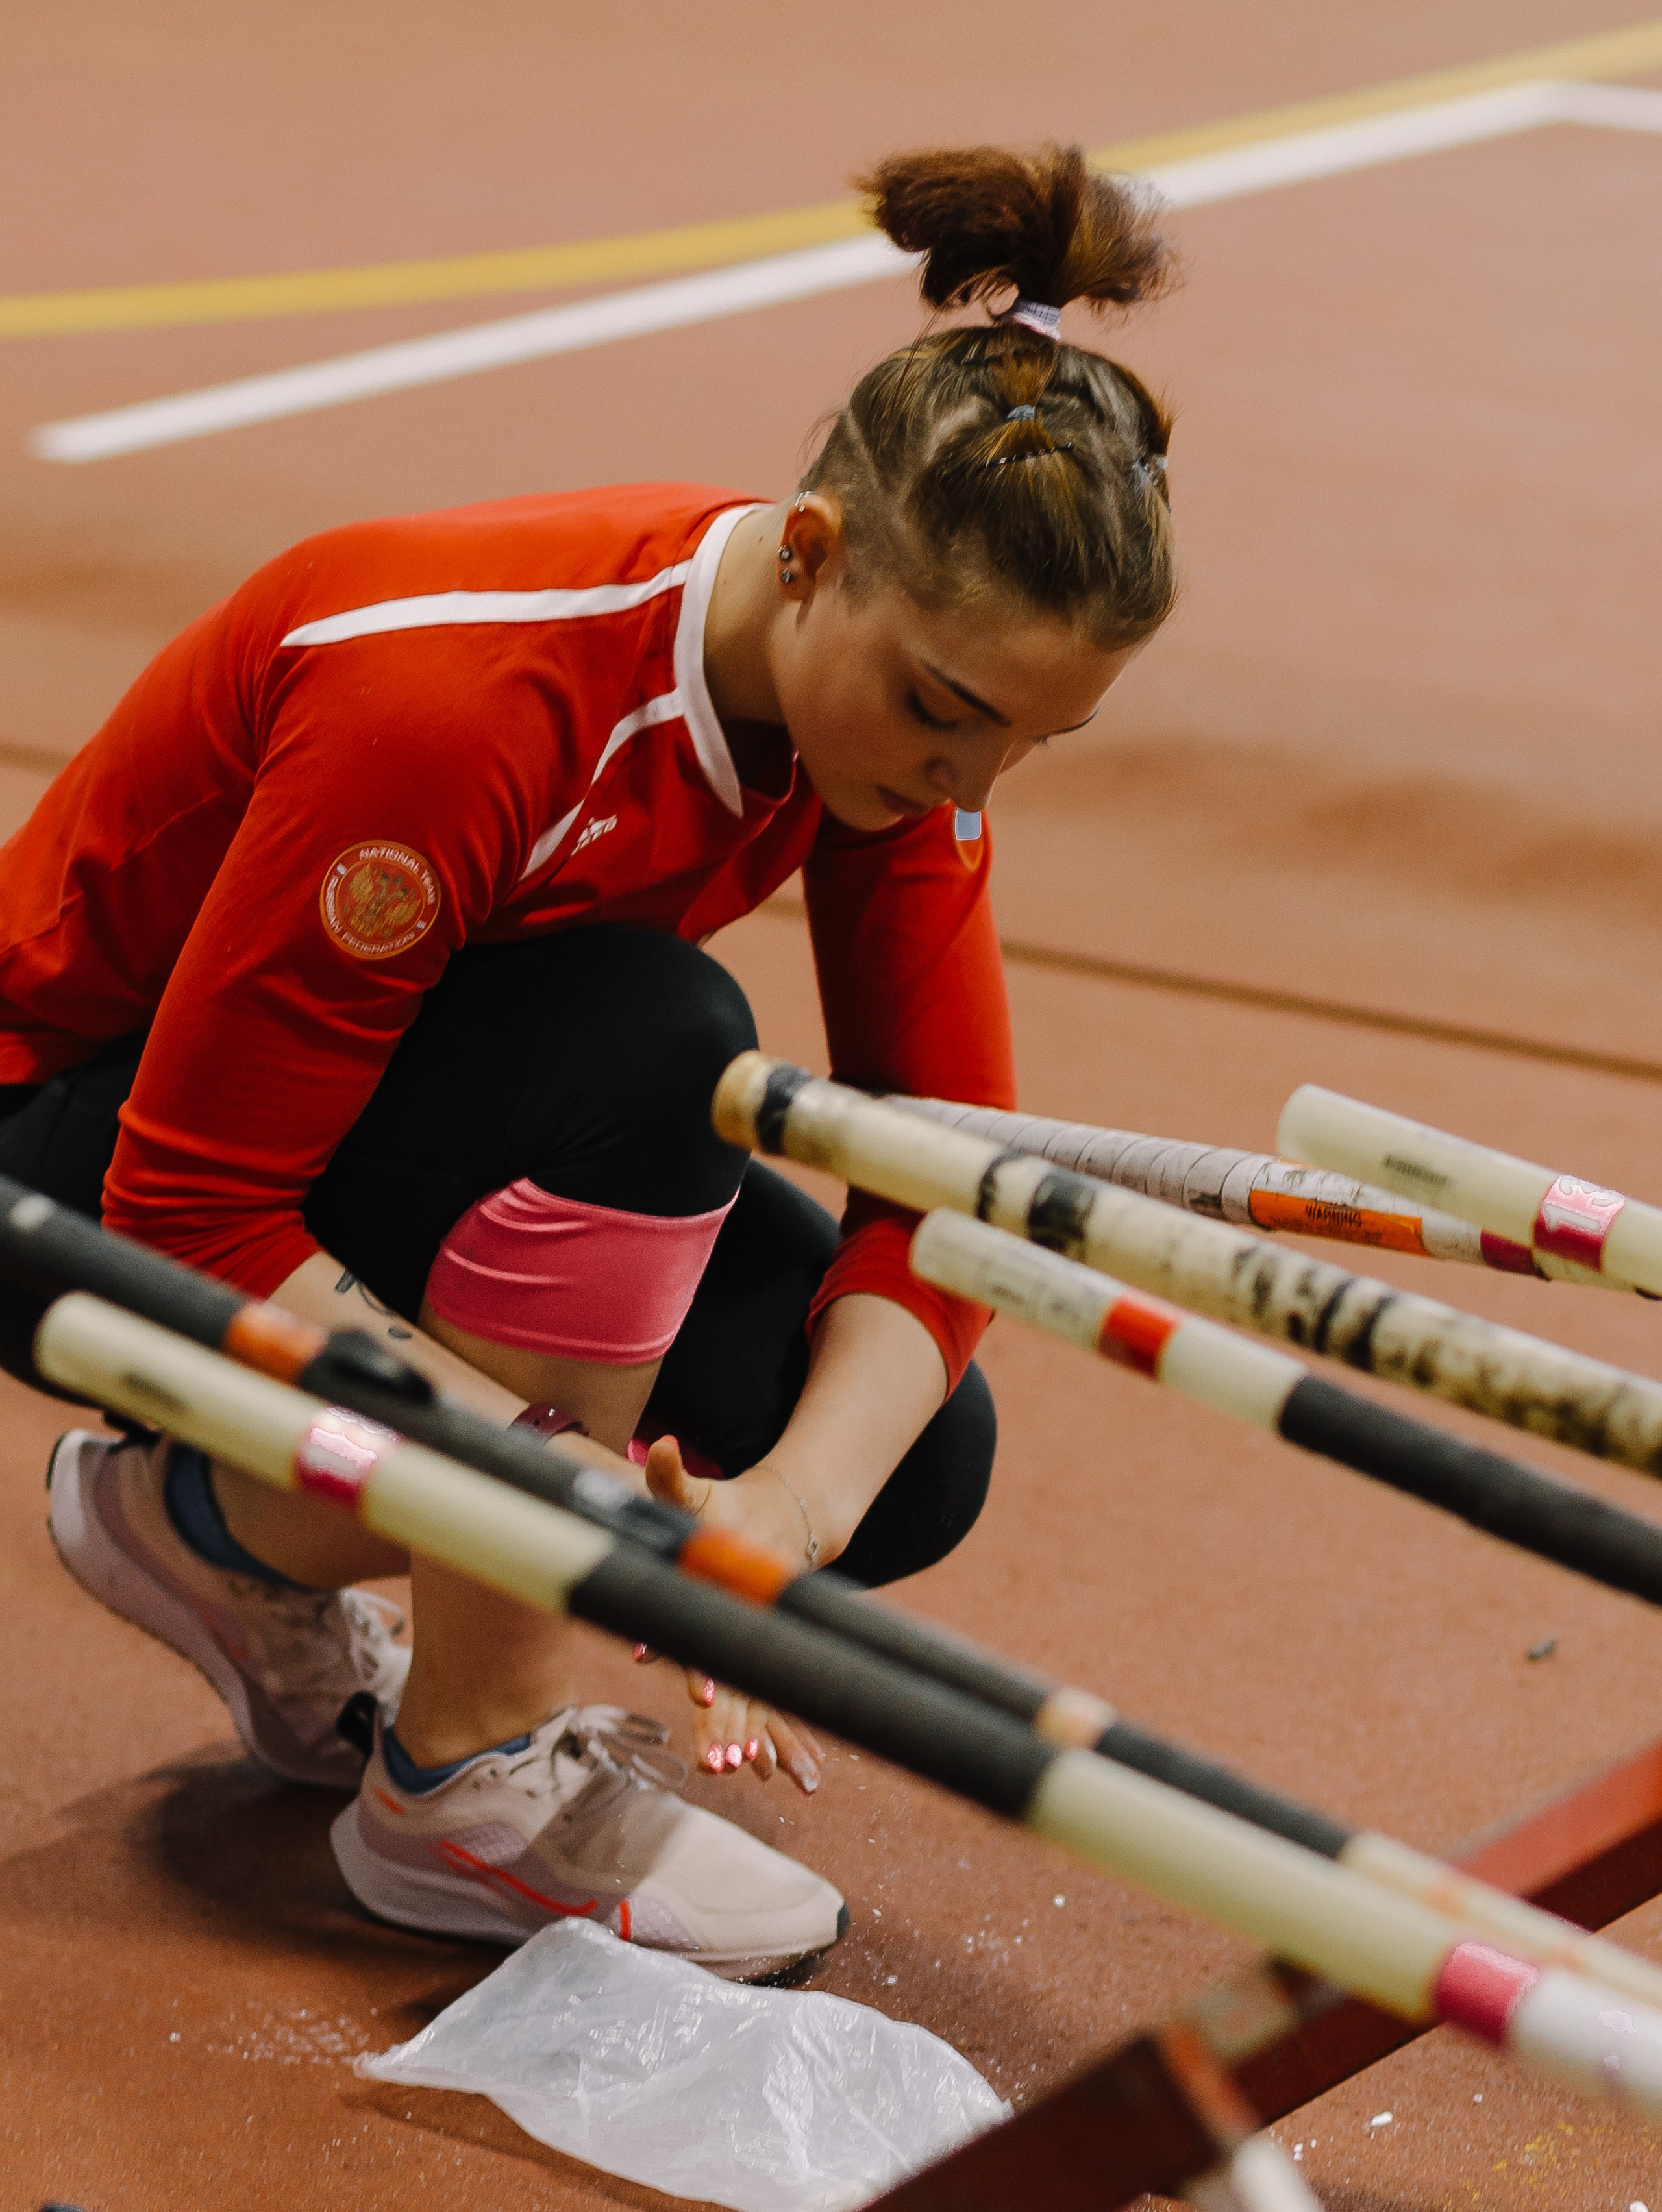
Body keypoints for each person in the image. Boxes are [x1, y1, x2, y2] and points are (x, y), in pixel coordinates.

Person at [0, 143, 1178, 1976]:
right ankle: (470, 1779)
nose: (970, 787)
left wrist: (769, 1527)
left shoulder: (896, 731)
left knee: (902, 1452)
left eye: (1038, 741)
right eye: (950, 714)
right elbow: (190, 1203)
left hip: (334, 1134)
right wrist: (562, 1503)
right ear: (812, 553)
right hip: (70, 1167)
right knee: (653, 1044)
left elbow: (944, 1185)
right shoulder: (454, 707)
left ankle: (210, 1537)